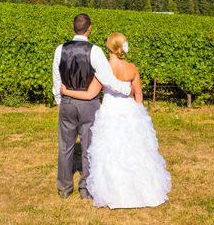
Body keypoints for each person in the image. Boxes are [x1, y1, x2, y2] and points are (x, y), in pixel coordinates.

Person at [61, 32, 171, 208]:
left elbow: (90, 94)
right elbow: (138, 93)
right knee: (134, 149)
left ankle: (113, 192)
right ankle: (142, 190)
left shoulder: (103, 69)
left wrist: (67, 92)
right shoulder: (132, 68)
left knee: (111, 149)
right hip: (129, 110)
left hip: (110, 111)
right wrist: (139, 113)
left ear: (108, 47)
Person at [52, 14, 131, 199]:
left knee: (65, 146)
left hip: (67, 101)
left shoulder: (59, 49)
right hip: (88, 104)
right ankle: (85, 189)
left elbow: (57, 77)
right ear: (89, 29)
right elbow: (107, 78)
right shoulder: (94, 51)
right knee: (88, 147)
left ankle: (64, 189)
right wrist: (126, 89)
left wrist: (59, 99)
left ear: (73, 28)